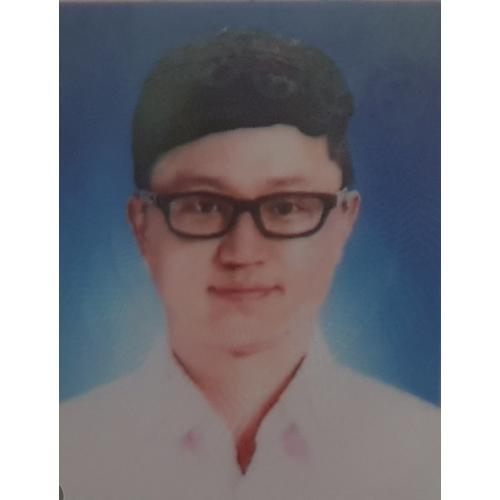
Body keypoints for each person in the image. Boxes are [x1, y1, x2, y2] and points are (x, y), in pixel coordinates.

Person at [60, 29, 439, 500]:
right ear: (142, 226)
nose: (243, 252)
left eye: (286, 206)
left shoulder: (432, 457)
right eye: (203, 205)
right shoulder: (60, 455)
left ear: (343, 221)